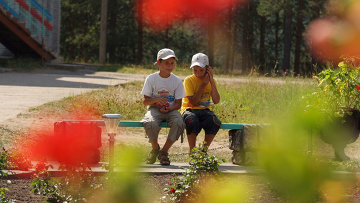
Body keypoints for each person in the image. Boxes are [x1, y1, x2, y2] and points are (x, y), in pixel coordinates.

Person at [141, 48, 186, 165]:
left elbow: (178, 104)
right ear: (158, 63)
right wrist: (155, 100)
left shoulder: (176, 81)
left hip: (171, 109)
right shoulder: (151, 79)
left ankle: (164, 152)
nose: (170, 66)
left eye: (172, 63)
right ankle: (155, 148)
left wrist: (169, 108)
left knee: (179, 122)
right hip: (154, 109)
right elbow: (145, 101)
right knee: (150, 122)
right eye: (166, 63)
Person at [180, 53, 221, 153]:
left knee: (215, 122)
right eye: (195, 70)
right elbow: (193, 102)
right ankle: (192, 151)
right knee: (192, 121)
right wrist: (203, 85)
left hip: (205, 110)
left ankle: (203, 151)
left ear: (207, 69)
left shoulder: (212, 81)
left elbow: (216, 101)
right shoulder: (188, 80)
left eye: (201, 70)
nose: (197, 73)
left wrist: (211, 80)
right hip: (189, 110)